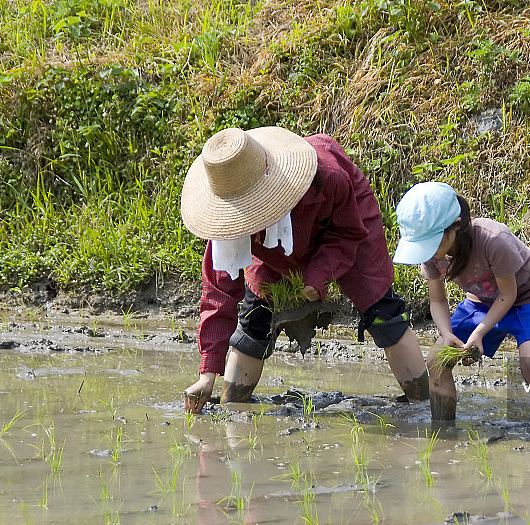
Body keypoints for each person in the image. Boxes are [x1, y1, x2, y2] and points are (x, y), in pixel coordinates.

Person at [180, 126, 429, 413]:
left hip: (341, 222)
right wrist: (207, 374)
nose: (246, 215)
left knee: (382, 308)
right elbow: (219, 292)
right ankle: (233, 405)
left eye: (251, 208)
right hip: (271, 244)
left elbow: (347, 233)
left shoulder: (328, 177)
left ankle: (423, 404)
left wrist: (318, 275)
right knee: (255, 314)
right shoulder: (228, 223)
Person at [393, 181, 530, 438]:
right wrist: (446, 333)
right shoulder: (430, 252)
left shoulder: (494, 240)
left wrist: (479, 333)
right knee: (436, 360)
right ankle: (443, 435)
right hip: (481, 301)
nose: (430, 251)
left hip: (528, 297)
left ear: (456, 226)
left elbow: (509, 294)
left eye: (434, 241)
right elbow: (438, 301)